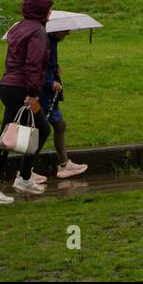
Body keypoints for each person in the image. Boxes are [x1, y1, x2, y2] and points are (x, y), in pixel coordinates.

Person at [0, 0, 54, 203]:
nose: (50, 13)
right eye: (48, 8)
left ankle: (24, 176)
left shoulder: (18, 27)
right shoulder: (38, 32)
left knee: (41, 128)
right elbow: (32, 64)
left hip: (9, 86)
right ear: (41, 10)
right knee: (6, 140)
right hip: (21, 90)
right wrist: (32, 93)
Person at [42, 29, 89, 179]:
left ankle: (64, 164)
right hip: (43, 94)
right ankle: (25, 172)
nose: (68, 34)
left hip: (47, 94)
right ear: (56, 30)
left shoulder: (51, 42)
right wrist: (50, 82)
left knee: (59, 125)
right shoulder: (46, 43)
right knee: (39, 131)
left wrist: (55, 68)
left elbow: (46, 65)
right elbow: (37, 67)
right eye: (66, 30)